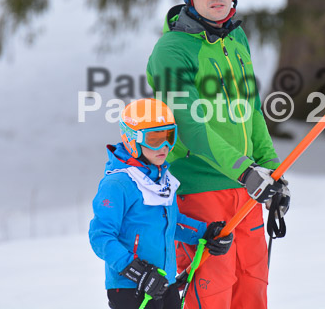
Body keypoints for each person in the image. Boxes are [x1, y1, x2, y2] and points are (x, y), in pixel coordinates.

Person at [146, 0, 291, 309]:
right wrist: (246, 171)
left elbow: (252, 109)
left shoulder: (236, 40)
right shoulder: (171, 51)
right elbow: (190, 126)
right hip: (202, 190)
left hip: (247, 189)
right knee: (212, 291)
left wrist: (270, 168)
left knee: (252, 287)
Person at [89, 98, 234, 309]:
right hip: (130, 287)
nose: (165, 146)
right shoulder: (118, 183)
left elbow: (170, 223)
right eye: (155, 139)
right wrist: (136, 270)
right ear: (132, 139)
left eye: (169, 136)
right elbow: (100, 236)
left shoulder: (162, 179)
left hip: (164, 282)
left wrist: (205, 232)